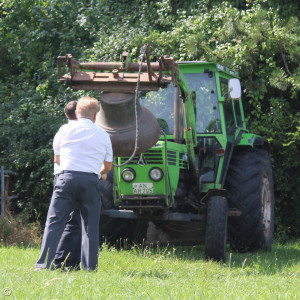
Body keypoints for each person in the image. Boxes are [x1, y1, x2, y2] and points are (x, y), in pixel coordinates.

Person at [35, 96, 113, 271]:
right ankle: (89, 267)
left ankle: (43, 264)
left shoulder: (64, 130)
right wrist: (95, 171)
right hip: (90, 181)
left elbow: (57, 159)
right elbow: (108, 166)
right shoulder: (103, 134)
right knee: (90, 226)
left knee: (54, 223)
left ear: (77, 113)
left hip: (66, 179)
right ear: (96, 116)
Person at [53, 100, 82, 270]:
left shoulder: (62, 131)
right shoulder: (82, 131)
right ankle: (64, 261)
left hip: (60, 177)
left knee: (61, 220)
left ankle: (69, 260)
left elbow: (56, 158)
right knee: (74, 221)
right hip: (73, 177)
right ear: (79, 113)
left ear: (66, 115)